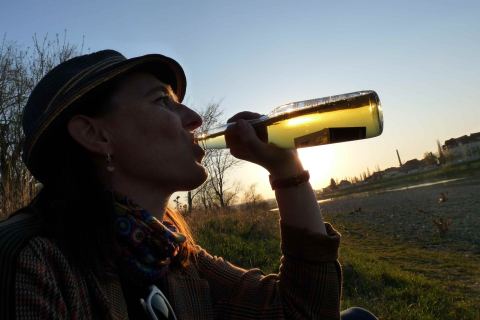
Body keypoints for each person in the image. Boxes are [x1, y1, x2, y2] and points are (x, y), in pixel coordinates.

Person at [0, 50, 377, 319]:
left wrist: (287, 171)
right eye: (162, 102)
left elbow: (305, 311)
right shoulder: (31, 263)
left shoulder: (170, 254)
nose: (195, 119)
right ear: (95, 135)